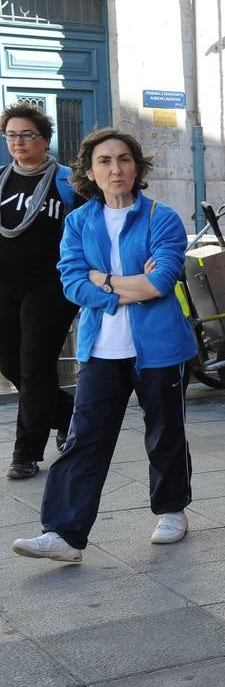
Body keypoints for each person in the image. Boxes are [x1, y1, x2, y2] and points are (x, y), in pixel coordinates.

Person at [11, 128, 196, 562]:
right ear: (90, 172)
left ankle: (171, 509)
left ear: (137, 167)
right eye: (105, 162)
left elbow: (162, 280)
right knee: (85, 437)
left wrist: (106, 279)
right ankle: (64, 533)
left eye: (124, 160)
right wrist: (124, 287)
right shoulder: (79, 221)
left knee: (165, 431)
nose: (116, 169)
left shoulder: (161, 217)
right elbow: (73, 282)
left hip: (160, 347)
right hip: (101, 350)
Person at [0, 104, 84, 480]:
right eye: (11, 135)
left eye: (26, 134)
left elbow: (87, 232)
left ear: (44, 139)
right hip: (4, 284)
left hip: (50, 286)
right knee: (9, 362)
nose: (18, 142)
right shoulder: (1, 179)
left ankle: (26, 452)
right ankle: (65, 411)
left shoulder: (69, 183)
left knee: (35, 364)